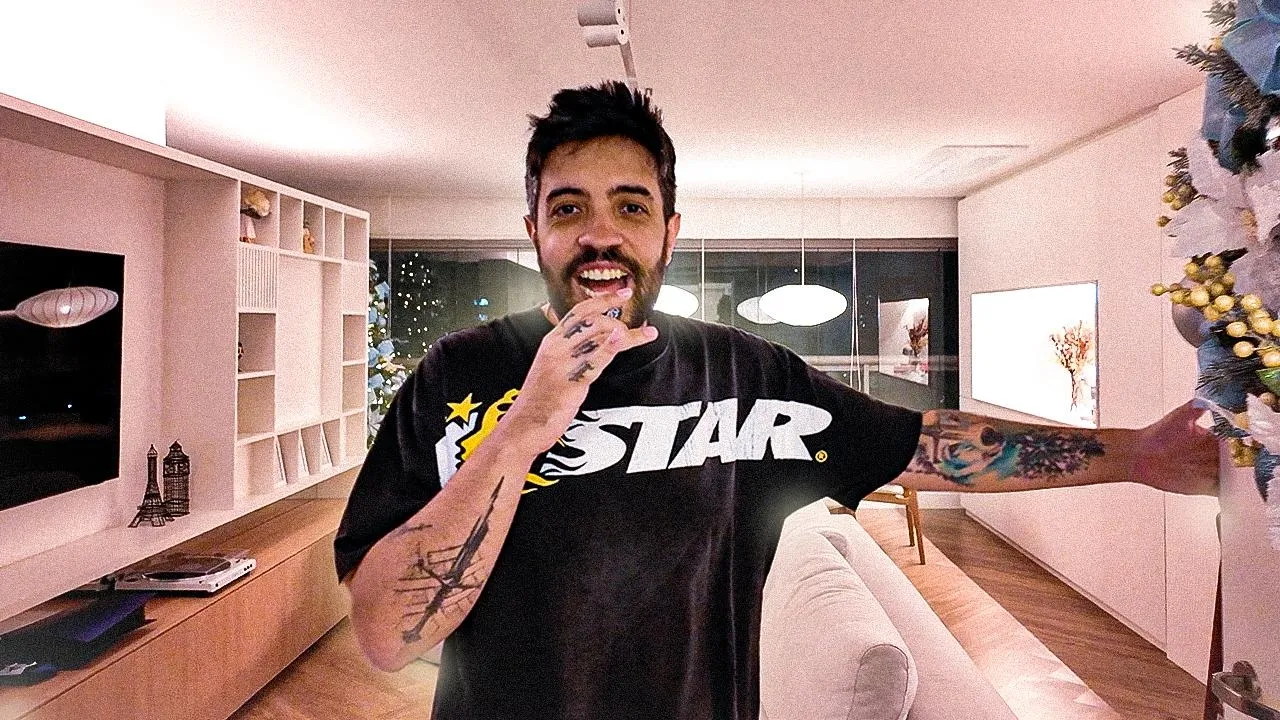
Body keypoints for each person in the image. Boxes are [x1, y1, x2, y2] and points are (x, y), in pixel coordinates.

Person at [334, 81, 1219, 720]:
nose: (600, 234)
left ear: (669, 233)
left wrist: (1136, 453)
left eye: (630, 208)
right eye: (568, 209)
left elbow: (924, 443)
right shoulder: (455, 374)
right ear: (534, 230)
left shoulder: (740, 374)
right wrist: (524, 428)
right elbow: (384, 636)